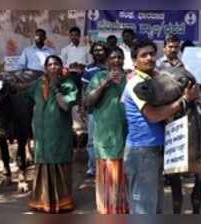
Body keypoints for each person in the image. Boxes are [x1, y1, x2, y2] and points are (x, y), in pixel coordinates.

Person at [121, 39, 199, 214]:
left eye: (151, 54)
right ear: (134, 61)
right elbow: (154, 116)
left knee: (155, 206)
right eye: (143, 55)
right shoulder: (138, 84)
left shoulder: (153, 79)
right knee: (144, 208)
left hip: (154, 151)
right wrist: (185, 100)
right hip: (142, 152)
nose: (149, 58)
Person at [27, 55, 78, 213]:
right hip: (41, 134)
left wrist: (56, 88)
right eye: (50, 65)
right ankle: (42, 201)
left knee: (59, 162)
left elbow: (65, 106)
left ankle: (62, 202)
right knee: (43, 164)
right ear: (45, 68)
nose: (53, 67)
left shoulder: (68, 84)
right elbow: (27, 94)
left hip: (59, 133)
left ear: (62, 67)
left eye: (57, 64)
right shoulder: (39, 84)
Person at [85, 47, 128, 214]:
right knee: (108, 175)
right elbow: (88, 101)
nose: (116, 60)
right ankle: (107, 210)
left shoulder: (130, 78)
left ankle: (123, 209)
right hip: (105, 135)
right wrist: (105, 83)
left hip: (127, 135)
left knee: (125, 174)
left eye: (120, 57)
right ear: (107, 61)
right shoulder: (98, 77)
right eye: (113, 58)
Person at [81, 41, 109, 181]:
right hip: (93, 110)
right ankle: (93, 168)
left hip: (109, 110)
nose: (98, 52)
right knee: (92, 140)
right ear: (92, 53)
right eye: (95, 50)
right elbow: (84, 89)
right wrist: (82, 107)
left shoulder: (112, 67)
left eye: (101, 50)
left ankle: (107, 166)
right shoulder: (89, 69)